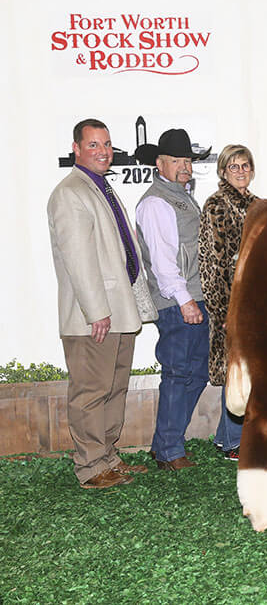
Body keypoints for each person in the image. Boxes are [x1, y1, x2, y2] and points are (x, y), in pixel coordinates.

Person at [47, 118, 154, 488]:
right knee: (91, 392)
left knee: (114, 388)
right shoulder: (70, 192)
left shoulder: (100, 188)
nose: (103, 151)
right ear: (75, 148)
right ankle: (91, 468)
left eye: (106, 144)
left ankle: (108, 457)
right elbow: (78, 258)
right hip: (94, 316)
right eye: (93, 145)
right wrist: (97, 312)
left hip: (117, 311)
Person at [135, 129, 211, 471]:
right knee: (180, 373)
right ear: (159, 163)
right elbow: (164, 263)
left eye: (188, 160)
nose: (185, 167)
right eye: (177, 161)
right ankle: (169, 450)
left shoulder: (181, 196)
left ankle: (164, 443)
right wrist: (184, 300)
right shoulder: (156, 202)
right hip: (179, 303)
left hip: (193, 298)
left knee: (195, 373)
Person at [198, 144, 258, 461]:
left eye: (245, 165)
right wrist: (223, 310)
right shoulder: (216, 207)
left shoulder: (258, 206)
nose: (240, 171)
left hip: (256, 304)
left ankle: (226, 438)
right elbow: (210, 263)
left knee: (245, 370)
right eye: (233, 167)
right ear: (223, 171)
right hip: (231, 306)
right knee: (234, 370)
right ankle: (234, 441)